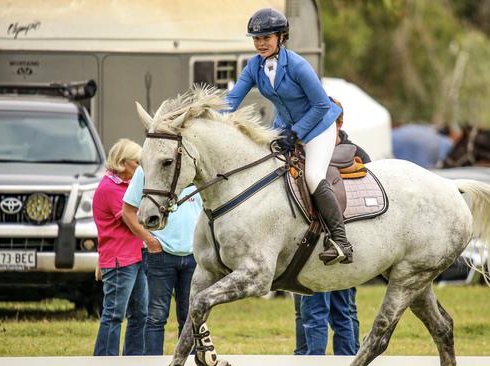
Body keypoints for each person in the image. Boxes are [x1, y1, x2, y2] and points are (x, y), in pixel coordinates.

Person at [225, 8, 352, 265]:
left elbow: (321, 106)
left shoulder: (298, 66)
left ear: (281, 37)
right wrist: (204, 114)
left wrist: (296, 133)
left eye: (266, 38)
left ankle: (341, 241)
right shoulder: (254, 66)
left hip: (317, 126)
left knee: (313, 176)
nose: (260, 44)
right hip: (284, 127)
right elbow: (231, 100)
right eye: (256, 39)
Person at [294, 97, 367, 356]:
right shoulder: (300, 154)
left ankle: (345, 359)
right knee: (308, 312)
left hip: (340, 245)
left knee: (341, 312)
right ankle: (306, 358)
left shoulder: (355, 154)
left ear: (338, 124)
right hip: (307, 247)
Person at [122, 165, 203, 355]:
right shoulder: (146, 169)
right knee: (156, 318)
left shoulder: (194, 167)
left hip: (193, 256)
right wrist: (150, 241)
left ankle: (189, 362)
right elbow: (128, 211)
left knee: (191, 318)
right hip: (160, 255)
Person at [92, 138, 147, 356]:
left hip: (135, 257)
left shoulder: (126, 185)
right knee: (114, 314)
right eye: (137, 163)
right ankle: (105, 360)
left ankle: (133, 360)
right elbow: (132, 219)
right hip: (119, 260)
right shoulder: (110, 188)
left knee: (140, 313)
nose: (141, 167)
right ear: (123, 163)